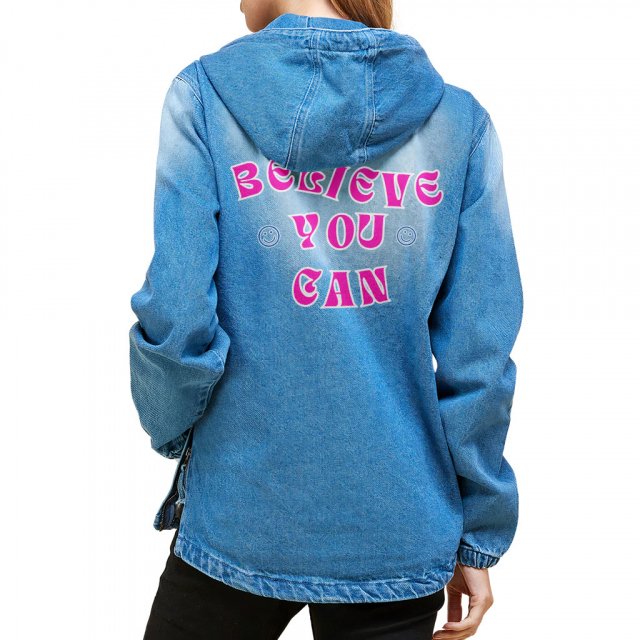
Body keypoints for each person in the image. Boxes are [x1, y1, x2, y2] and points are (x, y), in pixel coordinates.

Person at [128, 0, 524, 638]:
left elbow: (177, 320)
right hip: (400, 520)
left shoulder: (203, 99)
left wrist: (170, 427)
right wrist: (478, 531)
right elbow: (478, 355)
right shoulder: (459, 124)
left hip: (243, 510)